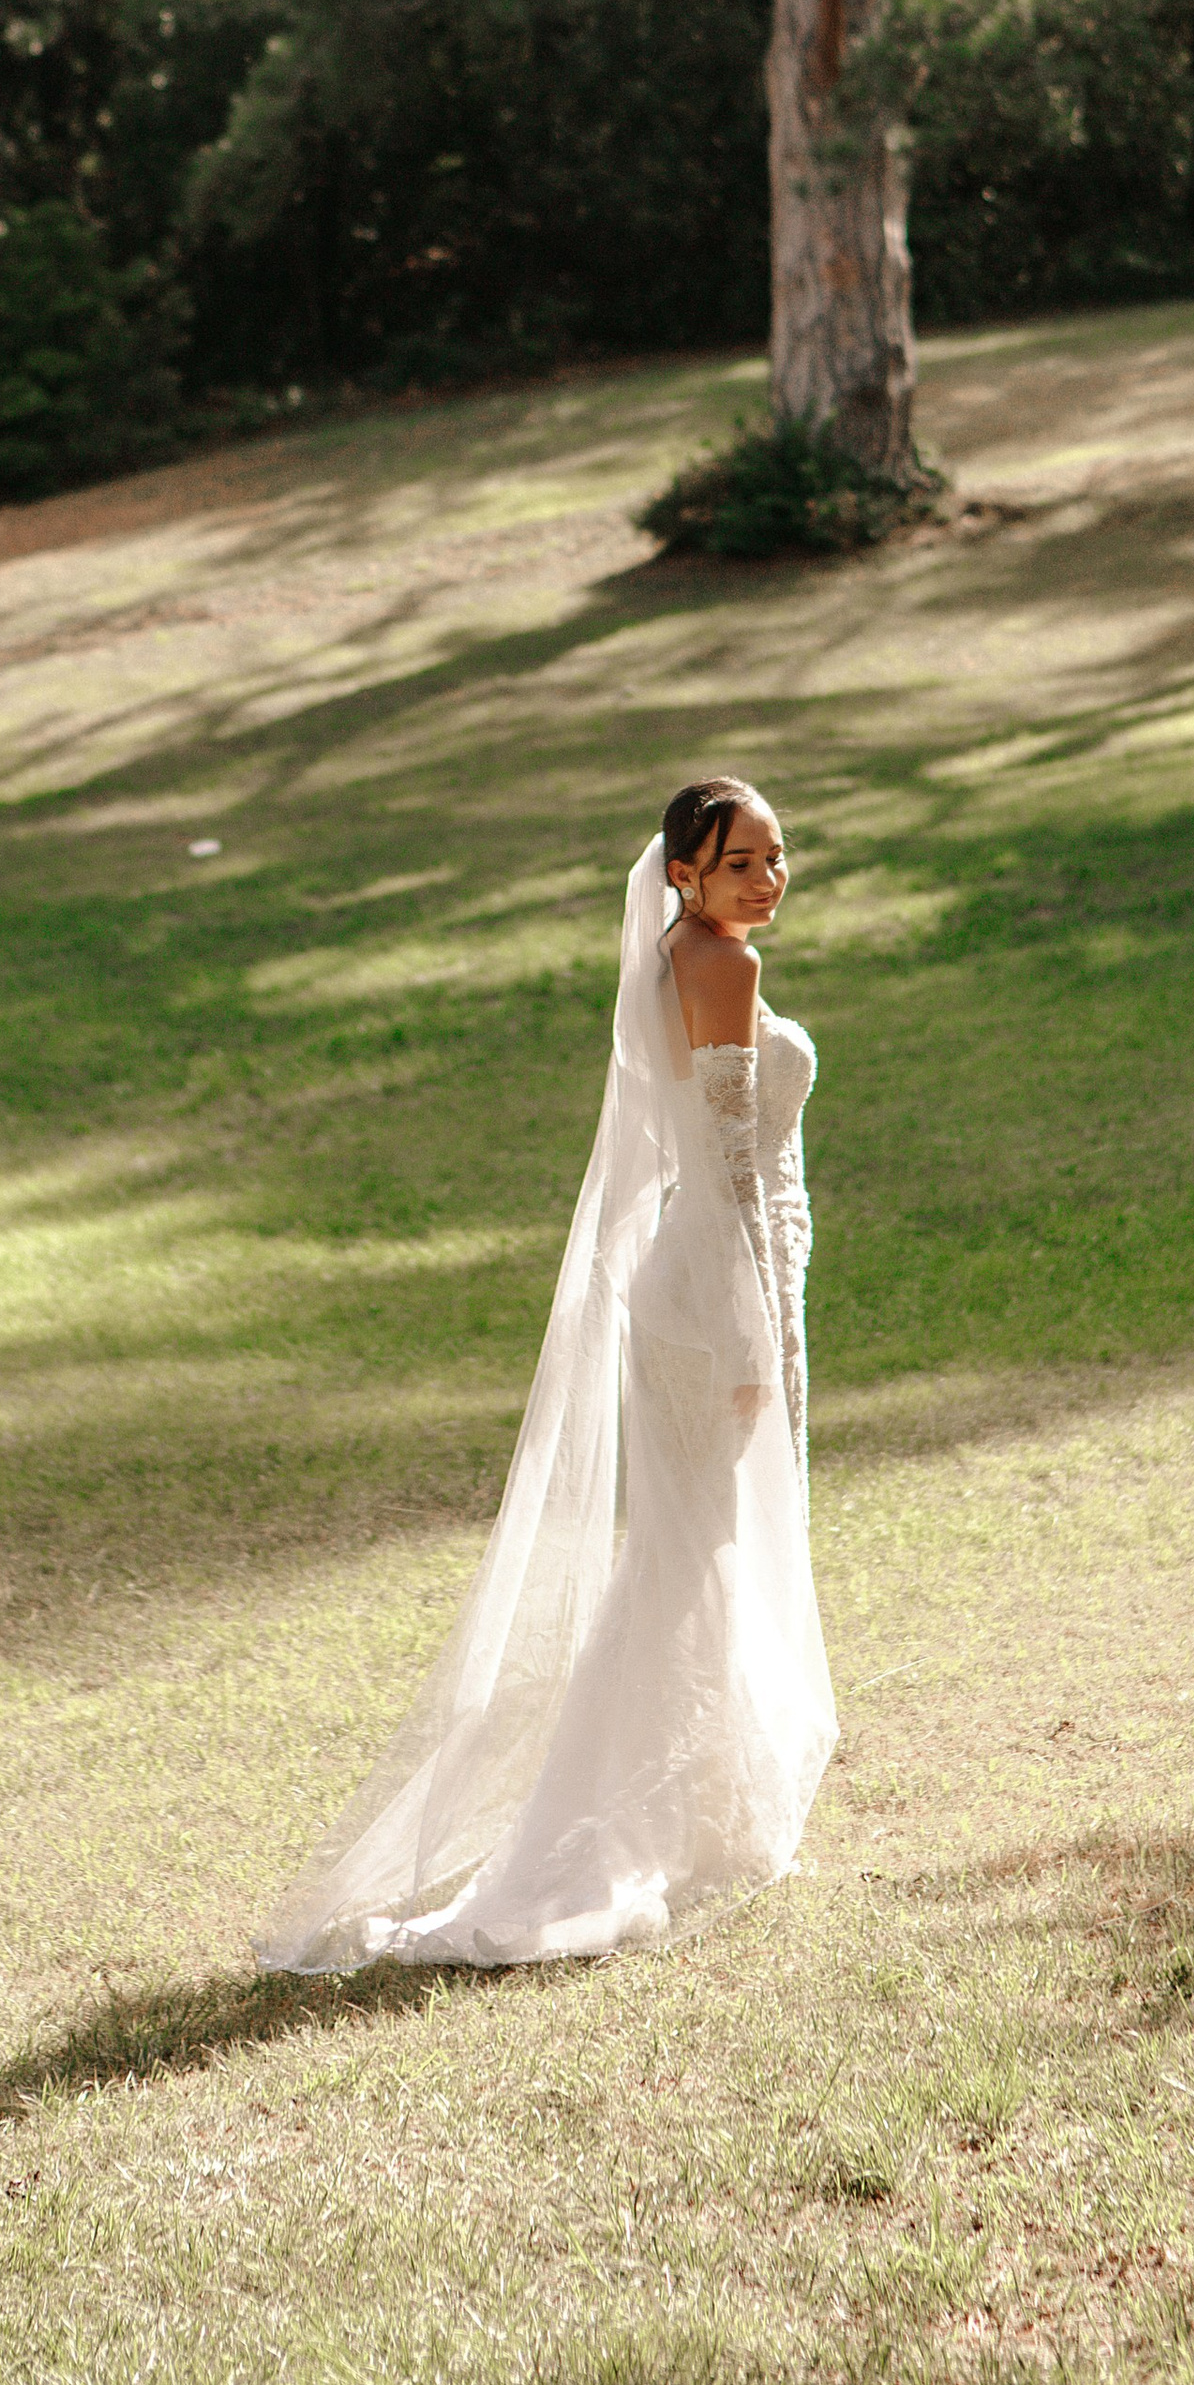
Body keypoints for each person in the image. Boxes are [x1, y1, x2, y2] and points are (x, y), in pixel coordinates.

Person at [254, 777, 835, 1970]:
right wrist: (756, 1334)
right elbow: (729, 1166)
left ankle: (692, 1807)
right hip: (715, 1283)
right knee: (684, 1562)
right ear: (683, 873)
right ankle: (606, 1835)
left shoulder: (675, 954)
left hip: (689, 1278)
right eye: (739, 865)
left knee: (687, 1557)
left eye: (777, 859)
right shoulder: (718, 966)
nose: (765, 882)